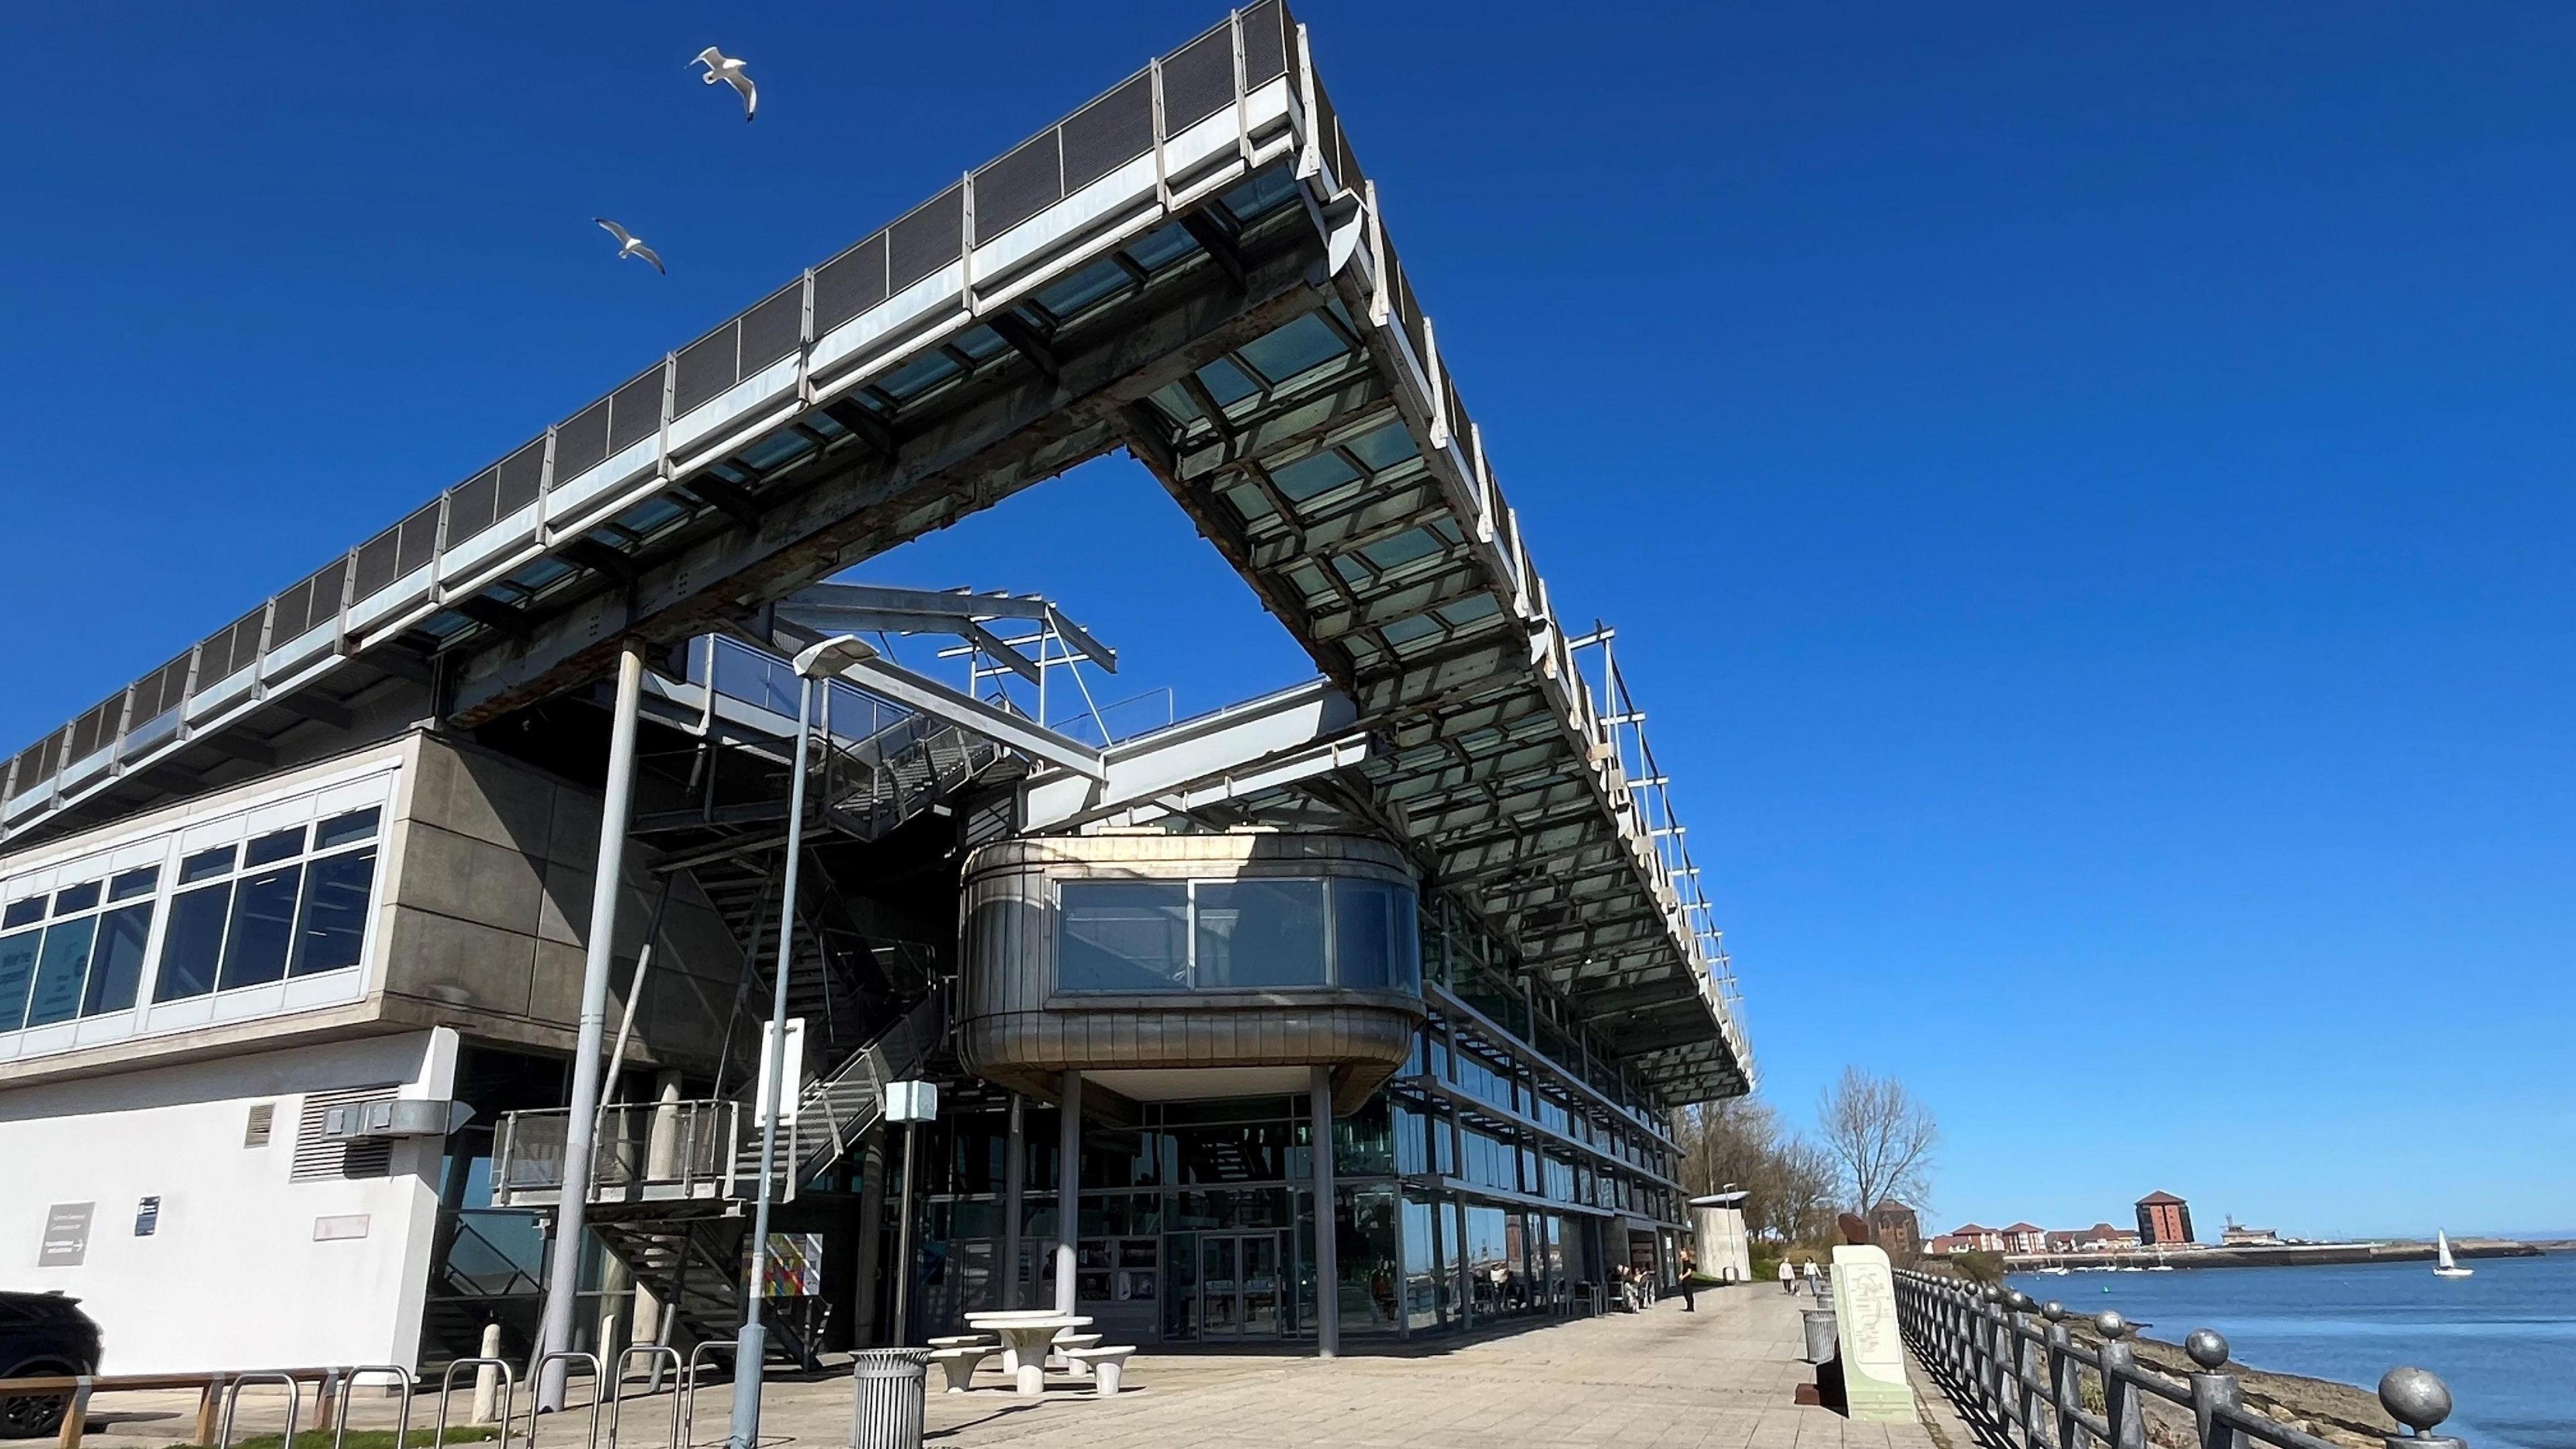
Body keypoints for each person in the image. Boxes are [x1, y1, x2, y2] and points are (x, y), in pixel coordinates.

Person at [1678, 1248, 1697, 1312]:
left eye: (1682, 1255)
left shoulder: (1687, 1262)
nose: (1681, 1257)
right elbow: (1683, 1270)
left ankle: (1691, 1307)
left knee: (1688, 1293)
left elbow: (1689, 1272)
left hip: (1687, 1280)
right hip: (1685, 1280)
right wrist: (1681, 1274)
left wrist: (1683, 1277)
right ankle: (1689, 1306)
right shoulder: (1684, 1262)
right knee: (1686, 1293)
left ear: (1685, 1255)